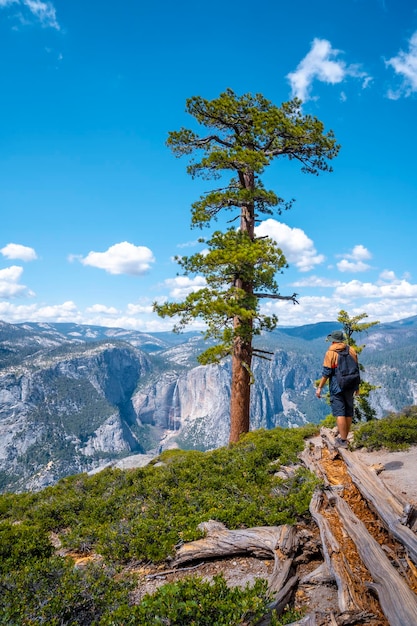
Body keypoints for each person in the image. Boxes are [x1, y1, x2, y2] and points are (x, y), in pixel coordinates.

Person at [315, 329, 359, 448]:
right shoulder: (351, 350)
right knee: (348, 412)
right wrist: (357, 386)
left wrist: (319, 387)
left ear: (333, 341)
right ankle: (345, 436)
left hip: (337, 386)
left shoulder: (330, 353)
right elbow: (356, 369)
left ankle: (343, 440)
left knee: (340, 412)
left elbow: (327, 373)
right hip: (350, 385)